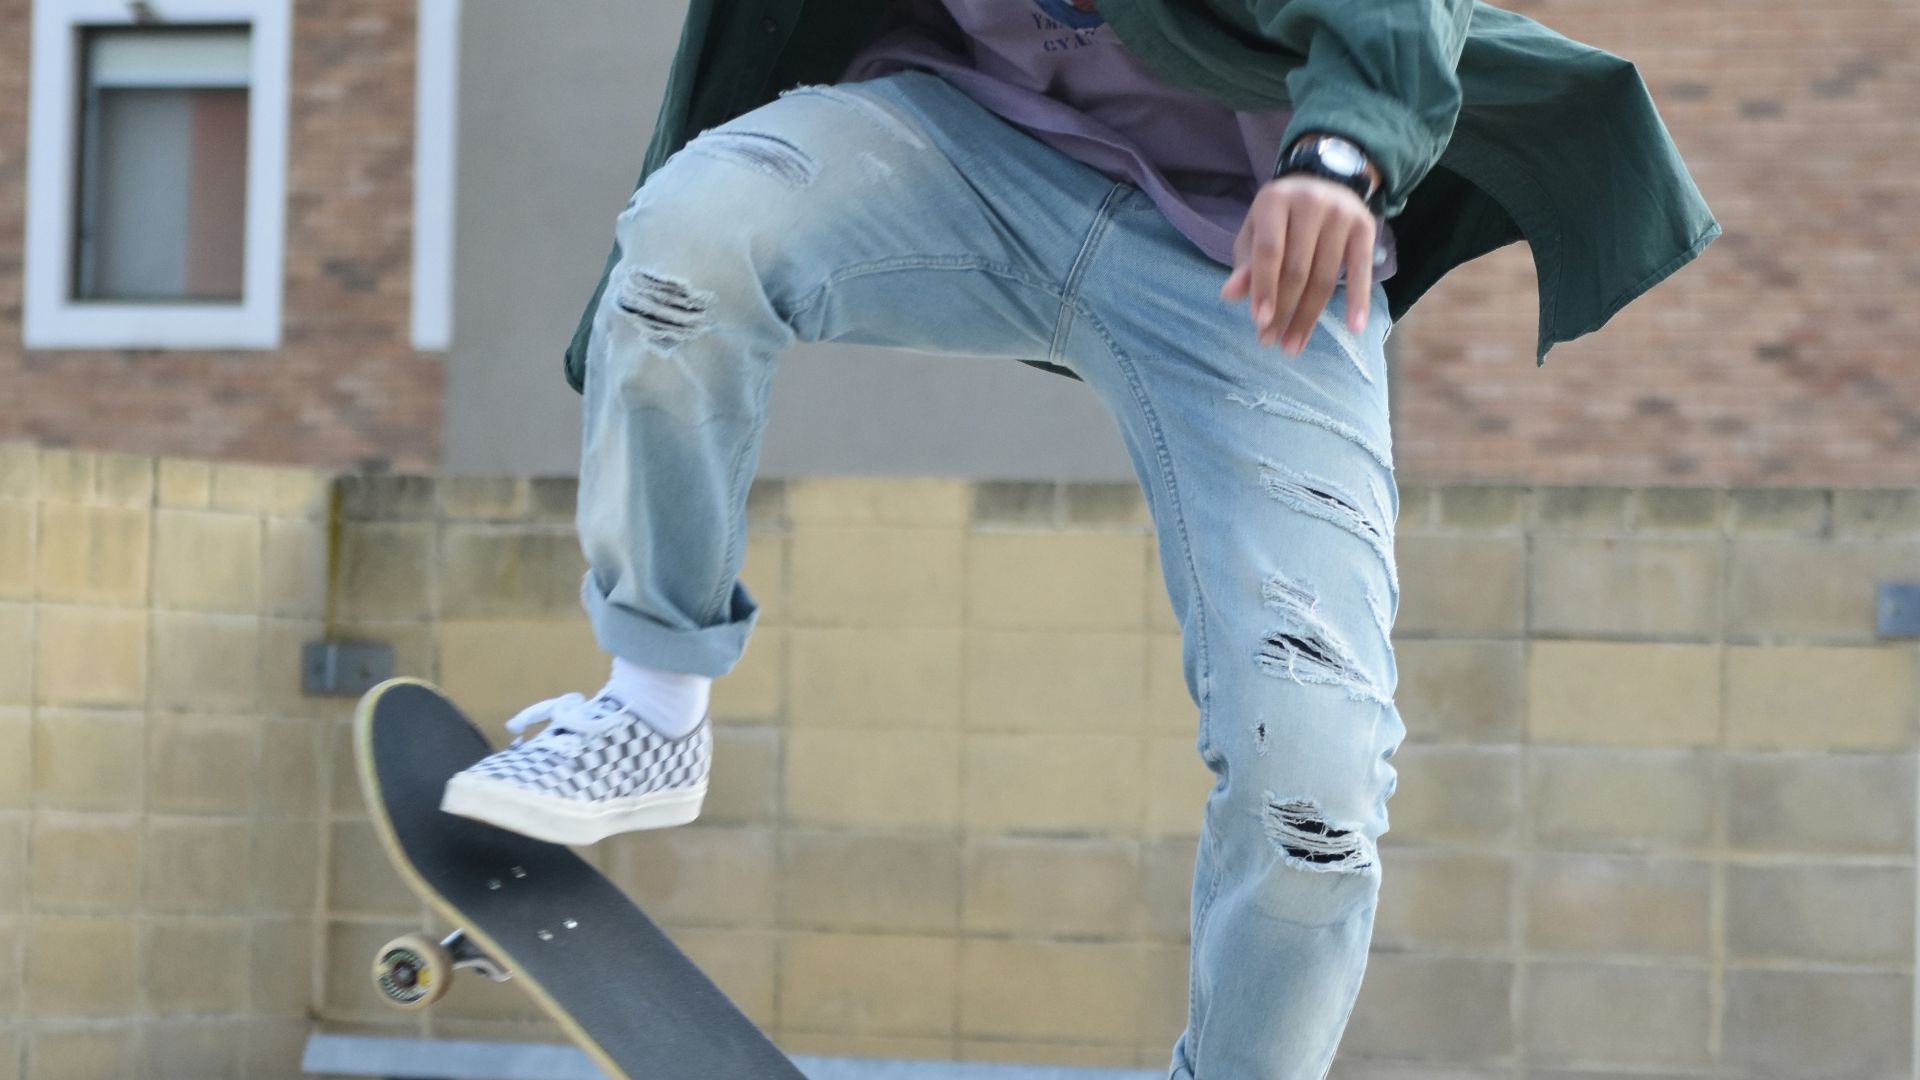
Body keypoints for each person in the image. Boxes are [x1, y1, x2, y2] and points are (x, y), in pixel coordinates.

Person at [440, 0, 1718, 1075]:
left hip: (1249, 263)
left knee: (1315, 796)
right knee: (690, 238)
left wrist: (1340, 156)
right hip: (960, 155)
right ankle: (653, 706)